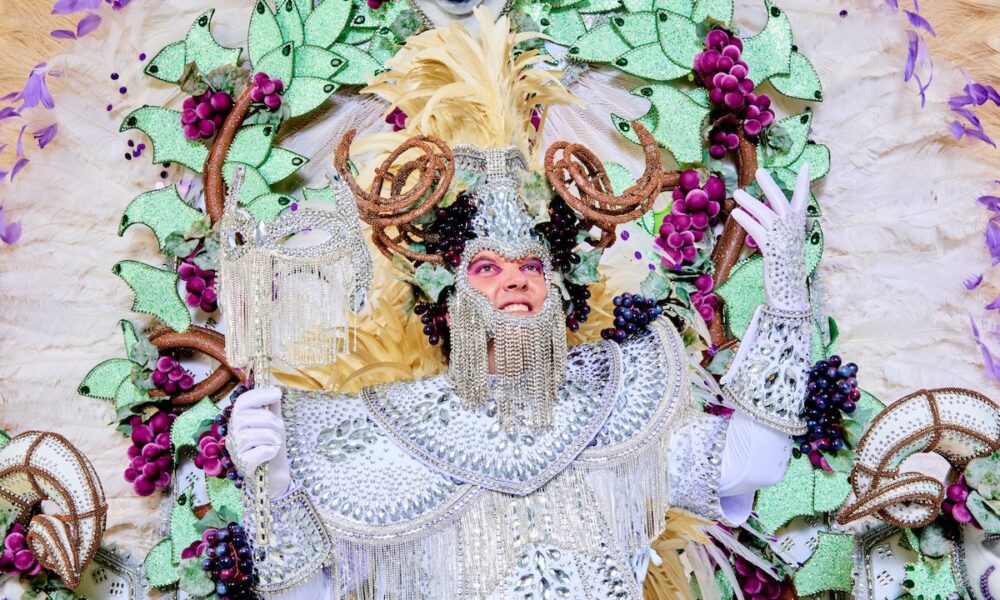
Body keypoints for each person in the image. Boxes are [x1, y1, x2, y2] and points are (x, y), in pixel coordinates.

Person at [225, 10, 815, 599]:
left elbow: (755, 461)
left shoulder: (618, 403)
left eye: (532, 266)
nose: (516, 282)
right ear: (448, 299)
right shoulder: (386, 431)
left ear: (558, 290)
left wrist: (787, 305)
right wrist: (275, 487)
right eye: (487, 268)